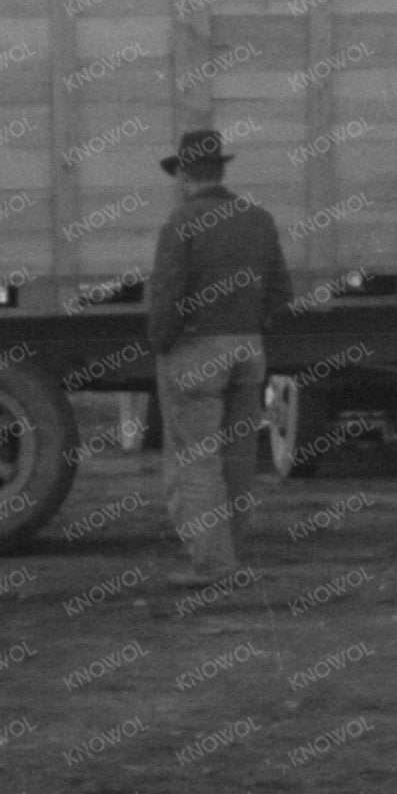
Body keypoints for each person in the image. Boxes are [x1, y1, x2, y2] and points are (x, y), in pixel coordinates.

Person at [145, 127, 289, 587]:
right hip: (249, 348)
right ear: (221, 170)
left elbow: (167, 296)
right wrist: (252, 328)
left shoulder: (181, 222)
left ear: (185, 174)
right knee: (239, 457)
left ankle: (214, 566)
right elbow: (281, 292)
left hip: (196, 350)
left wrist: (162, 343)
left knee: (197, 461)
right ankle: (235, 553)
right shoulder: (258, 219)